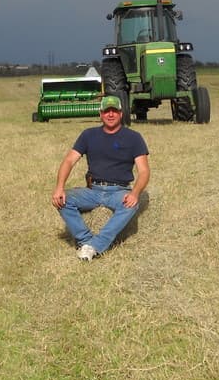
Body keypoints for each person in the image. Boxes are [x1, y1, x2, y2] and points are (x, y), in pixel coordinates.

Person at [51, 95, 150, 261]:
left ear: (121, 113)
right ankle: (85, 240)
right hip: (93, 190)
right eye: (106, 111)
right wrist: (59, 187)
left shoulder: (134, 138)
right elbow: (69, 160)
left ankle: (95, 246)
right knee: (63, 200)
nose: (110, 115)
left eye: (114, 111)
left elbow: (144, 171)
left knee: (131, 205)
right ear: (100, 114)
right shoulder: (88, 135)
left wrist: (134, 193)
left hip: (119, 190)